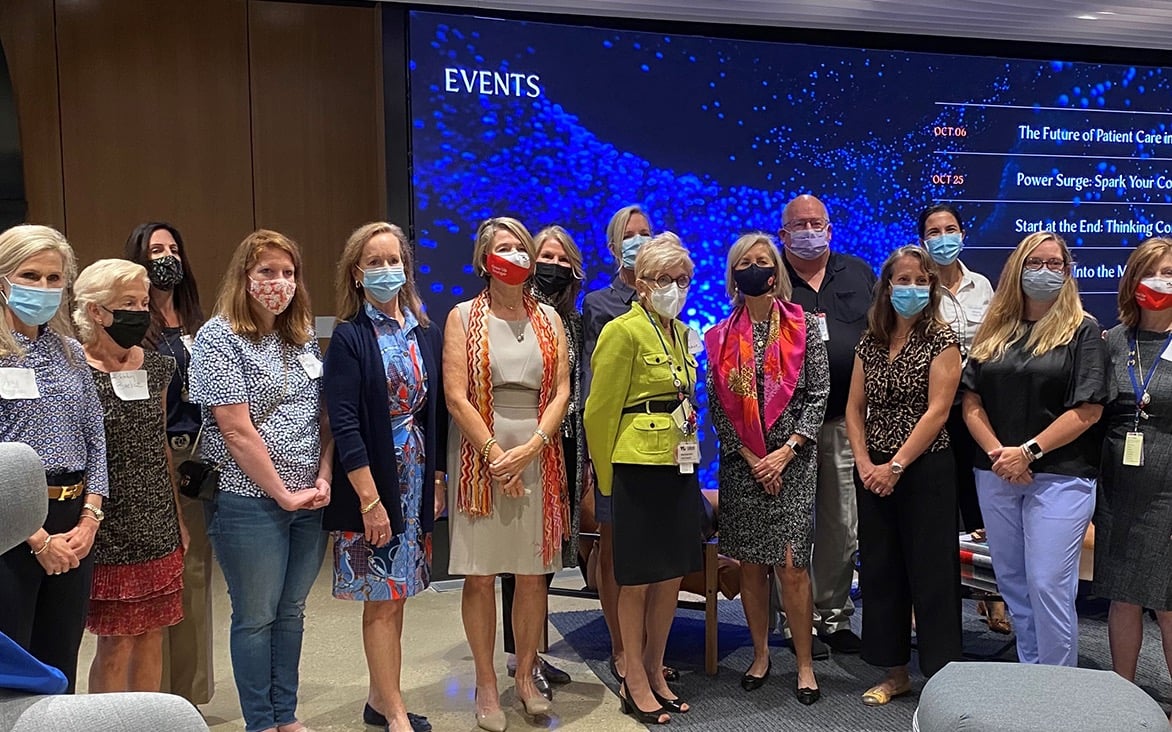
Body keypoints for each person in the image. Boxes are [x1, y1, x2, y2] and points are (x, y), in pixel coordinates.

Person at [189, 229, 332, 732]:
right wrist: (282, 492)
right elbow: (235, 428)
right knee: (256, 615)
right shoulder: (219, 337)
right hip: (248, 497)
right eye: (267, 272)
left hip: (309, 497)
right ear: (243, 277)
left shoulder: (300, 334)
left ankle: (285, 716)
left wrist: (324, 476)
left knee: (291, 611)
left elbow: (322, 414)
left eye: (288, 272)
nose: (279, 282)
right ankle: (260, 722)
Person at [443, 216, 571, 731]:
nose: (516, 256)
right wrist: (497, 453)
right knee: (480, 574)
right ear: (483, 259)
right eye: (504, 248)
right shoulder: (462, 316)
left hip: (538, 450)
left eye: (522, 247)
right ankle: (486, 683)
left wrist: (532, 448)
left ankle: (524, 676)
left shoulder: (550, 320)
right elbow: (455, 394)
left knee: (532, 573)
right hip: (481, 451)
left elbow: (561, 389)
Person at [962, 231, 1108, 667]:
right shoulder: (994, 328)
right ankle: (1032, 678)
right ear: (1017, 268)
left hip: (1061, 474)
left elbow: (1088, 410)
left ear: (1067, 272)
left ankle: (1059, 689)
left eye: (1055, 264)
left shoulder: (1082, 329)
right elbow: (970, 401)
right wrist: (999, 455)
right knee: (1013, 584)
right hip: (995, 472)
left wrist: (1026, 452)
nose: (1045, 272)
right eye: (1035, 263)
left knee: (1048, 584)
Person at [322, 222, 445, 732]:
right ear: (356, 274)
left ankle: (380, 699)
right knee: (381, 600)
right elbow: (345, 424)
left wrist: (436, 478)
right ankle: (392, 712)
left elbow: (432, 411)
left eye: (395, 260)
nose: (387, 270)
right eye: (375, 262)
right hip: (373, 484)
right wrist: (371, 501)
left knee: (397, 598)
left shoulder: (421, 330)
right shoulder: (351, 336)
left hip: (413, 477)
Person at [584, 234, 703, 725]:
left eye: (680, 280)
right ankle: (633, 677)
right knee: (635, 580)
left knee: (671, 575)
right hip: (634, 468)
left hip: (679, 467)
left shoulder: (678, 332)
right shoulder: (622, 330)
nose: (673, 288)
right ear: (638, 282)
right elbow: (599, 413)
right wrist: (607, 484)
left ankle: (655, 669)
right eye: (662, 279)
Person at [706, 233, 829, 703]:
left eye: (762, 261)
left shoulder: (803, 325)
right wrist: (755, 458)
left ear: (775, 272)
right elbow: (718, 408)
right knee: (752, 567)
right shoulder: (719, 336)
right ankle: (761, 655)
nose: (754, 268)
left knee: (793, 569)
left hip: (793, 465)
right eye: (744, 262)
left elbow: (818, 394)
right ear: (734, 274)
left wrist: (786, 451)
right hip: (744, 466)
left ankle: (803, 663)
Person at [846, 245, 963, 705]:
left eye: (920, 281)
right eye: (902, 280)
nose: (910, 288)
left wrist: (896, 466)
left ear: (931, 287)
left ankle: (941, 678)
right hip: (872, 470)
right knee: (881, 570)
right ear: (887, 285)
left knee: (931, 572)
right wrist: (865, 464)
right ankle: (895, 673)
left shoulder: (943, 338)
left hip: (925, 468)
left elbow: (938, 411)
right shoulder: (869, 339)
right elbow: (855, 409)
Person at [0, 224, 108, 694]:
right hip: (12, 523)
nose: (43, 288)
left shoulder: (69, 352)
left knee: (60, 657)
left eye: (53, 278)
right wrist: (38, 539)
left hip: (73, 520)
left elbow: (96, 439)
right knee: (15, 662)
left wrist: (90, 518)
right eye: (30, 275)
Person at [73, 259, 185, 693]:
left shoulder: (156, 367)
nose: (139, 311)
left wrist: (176, 521)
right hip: (105, 522)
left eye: (143, 302)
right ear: (97, 311)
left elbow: (159, 443)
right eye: (127, 303)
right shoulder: (75, 370)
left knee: (152, 635)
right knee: (115, 642)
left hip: (156, 520)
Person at [778, 193, 873, 657]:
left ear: (830, 229)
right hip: (785, 430)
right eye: (799, 224)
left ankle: (833, 617)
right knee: (789, 525)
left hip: (840, 423)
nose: (809, 230)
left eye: (817, 223)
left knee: (840, 526)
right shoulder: (769, 276)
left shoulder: (857, 273)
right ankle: (789, 615)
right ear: (783, 233)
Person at [123, 221, 214, 703]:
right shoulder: (134, 325)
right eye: (155, 249)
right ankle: (148, 699)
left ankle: (190, 695)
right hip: (150, 456)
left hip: (201, 458)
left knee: (195, 574)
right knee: (153, 579)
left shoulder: (201, 323)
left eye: (173, 248)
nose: (166, 257)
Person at [498, 224, 585, 697]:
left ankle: (533, 653)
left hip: (567, 444)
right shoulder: (517, 314)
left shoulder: (572, 320)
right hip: (525, 441)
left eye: (562, 259)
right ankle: (519, 660)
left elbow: (578, 388)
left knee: (545, 555)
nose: (552, 266)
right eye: (544, 256)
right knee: (520, 554)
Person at [917, 204, 1008, 634]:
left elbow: (993, 346)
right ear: (923, 240)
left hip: (974, 410)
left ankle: (993, 599)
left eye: (950, 229)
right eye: (934, 232)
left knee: (981, 508)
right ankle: (925, 602)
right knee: (933, 506)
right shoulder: (914, 286)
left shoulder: (983, 287)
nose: (943, 238)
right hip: (926, 412)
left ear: (962, 234)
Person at [580, 204, 660, 682]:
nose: (638, 240)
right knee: (615, 550)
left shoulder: (666, 299)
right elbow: (595, 385)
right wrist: (596, 452)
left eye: (645, 233)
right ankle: (620, 647)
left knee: (652, 552)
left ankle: (649, 648)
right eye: (629, 235)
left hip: (661, 451)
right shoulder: (599, 304)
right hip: (615, 446)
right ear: (613, 247)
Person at [1093, 237, 1172, 683]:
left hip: (1169, 489)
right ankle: (1123, 695)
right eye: (1152, 272)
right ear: (1132, 280)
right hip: (1118, 490)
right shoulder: (1113, 341)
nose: (1160, 282)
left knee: (1168, 603)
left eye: (1169, 273)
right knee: (1122, 596)